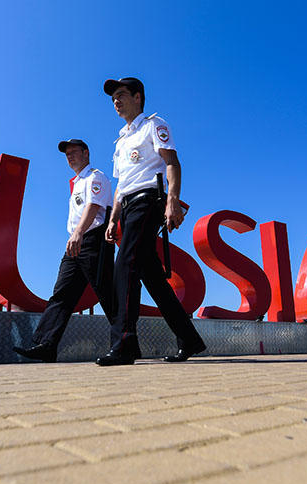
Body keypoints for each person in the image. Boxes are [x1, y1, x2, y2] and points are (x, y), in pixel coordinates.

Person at [96, 77, 207, 366]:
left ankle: (124, 344)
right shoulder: (120, 141)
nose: (116, 101)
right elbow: (121, 184)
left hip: (149, 200)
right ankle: (190, 340)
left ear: (137, 97)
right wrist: (112, 219)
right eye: (113, 98)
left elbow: (172, 162)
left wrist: (172, 201)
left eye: (121, 95)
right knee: (154, 280)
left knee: (125, 267)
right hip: (129, 205)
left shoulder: (154, 126)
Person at [13, 139, 114, 362]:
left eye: (73, 152)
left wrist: (78, 233)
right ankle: (46, 345)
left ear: (86, 153)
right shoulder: (77, 182)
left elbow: (94, 207)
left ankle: (124, 341)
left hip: (93, 240)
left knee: (106, 292)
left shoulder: (95, 177)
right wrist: (75, 236)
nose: (69, 157)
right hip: (75, 242)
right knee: (62, 293)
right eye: (66, 154)